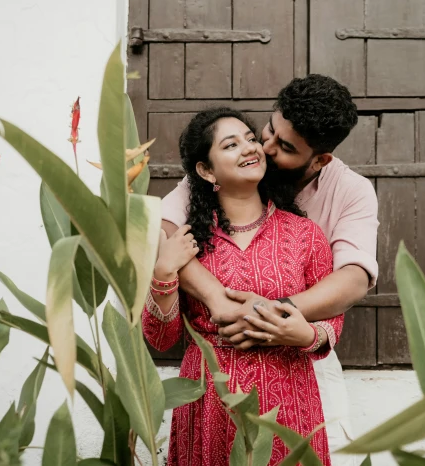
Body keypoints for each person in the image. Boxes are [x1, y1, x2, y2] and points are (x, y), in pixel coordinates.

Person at [161, 75, 379, 462]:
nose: (264, 147)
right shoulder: (214, 180)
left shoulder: (348, 194)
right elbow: (163, 241)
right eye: (269, 131)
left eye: (285, 147)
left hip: (296, 371)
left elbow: (352, 280)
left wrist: (271, 314)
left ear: (319, 159)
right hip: (211, 394)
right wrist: (217, 299)